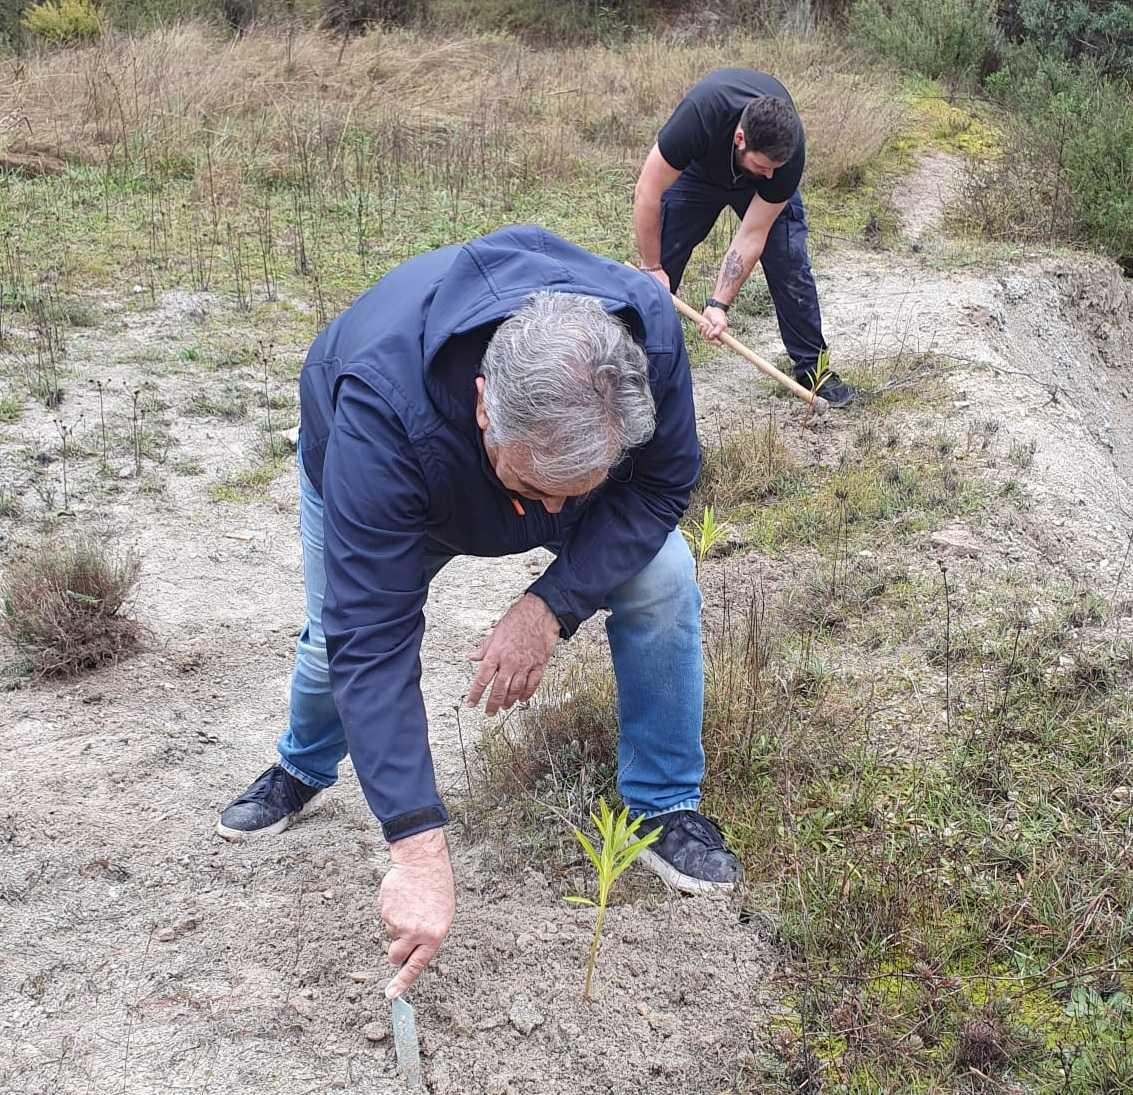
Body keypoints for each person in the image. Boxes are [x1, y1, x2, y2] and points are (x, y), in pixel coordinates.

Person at [215, 225, 743, 1001]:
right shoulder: (379, 408)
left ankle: (664, 805)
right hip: (401, 477)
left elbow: (661, 487)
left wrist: (551, 602)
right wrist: (417, 849)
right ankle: (302, 763)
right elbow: (373, 638)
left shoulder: (643, 339)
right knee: (334, 642)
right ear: (483, 404)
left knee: (663, 575)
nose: (550, 515)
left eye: (575, 492)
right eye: (532, 490)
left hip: (523, 455)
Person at [633, 67, 854, 408]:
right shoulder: (700, 115)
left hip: (757, 191)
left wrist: (718, 304)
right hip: (700, 172)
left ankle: (814, 371)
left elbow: (753, 233)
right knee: (660, 268)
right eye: (765, 165)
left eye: (776, 167)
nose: (771, 174)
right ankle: (637, 367)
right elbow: (647, 191)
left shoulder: (782, 162)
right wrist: (651, 267)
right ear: (740, 139)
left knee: (789, 263)